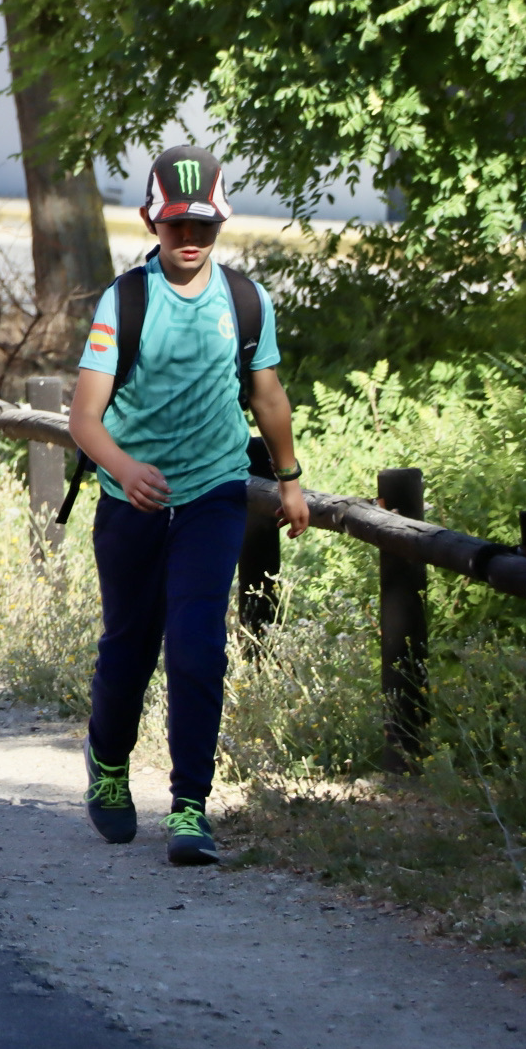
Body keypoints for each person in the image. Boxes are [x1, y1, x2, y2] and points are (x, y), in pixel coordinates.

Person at [67, 144, 309, 865]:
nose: (189, 239)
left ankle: (189, 807)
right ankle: (108, 765)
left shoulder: (244, 299)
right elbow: (84, 418)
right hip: (130, 503)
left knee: (199, 646)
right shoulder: (126, 301)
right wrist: (123, 466)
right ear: (150, 221)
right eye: (175, 225)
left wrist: (290, 479)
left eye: (202, 224)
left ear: (223, 220)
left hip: (213, 495)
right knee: (129, 650)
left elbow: (266, 395)